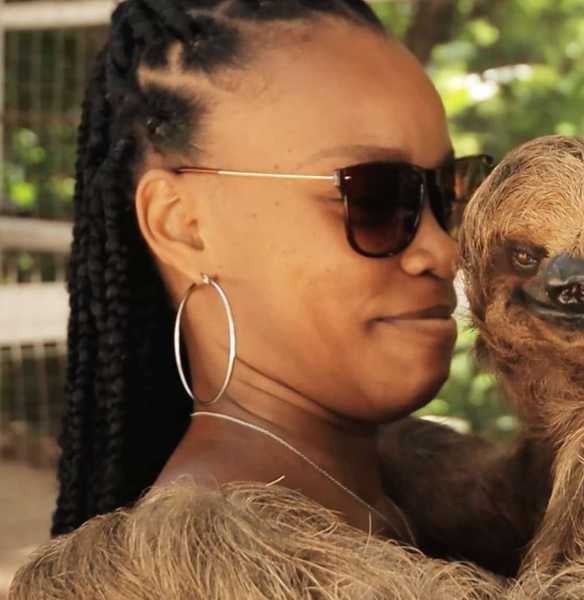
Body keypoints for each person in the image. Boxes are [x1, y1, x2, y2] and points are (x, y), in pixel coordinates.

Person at [52, 0, 491, 546]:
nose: (442, 250)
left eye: (447, 193)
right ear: (184, 226)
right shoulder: (199, 570)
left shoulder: (423, 501)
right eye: (375, 198)